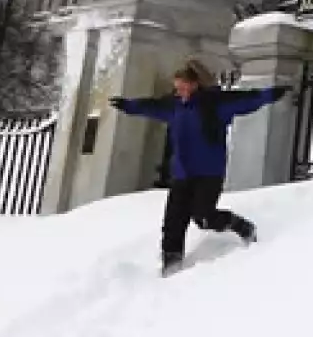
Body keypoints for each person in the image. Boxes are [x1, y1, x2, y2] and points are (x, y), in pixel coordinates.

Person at [109, 59, 291, 276]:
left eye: (183, 87)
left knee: (204, 217)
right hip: (182, 173)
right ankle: (171, 264)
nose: (180, 92)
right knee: (173, 221)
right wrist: (128, 105)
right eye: (177, 88)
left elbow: (247, 100)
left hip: (209, 173)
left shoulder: (215, 104)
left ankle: (240, 225)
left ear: (196, 84)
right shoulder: (174, 106)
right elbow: (150, 107)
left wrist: (270, 94)